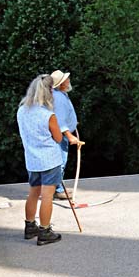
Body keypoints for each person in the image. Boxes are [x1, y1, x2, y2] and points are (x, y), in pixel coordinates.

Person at [17, 75, 63, 246]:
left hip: (32, 159)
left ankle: (30, 227)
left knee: (33, 193)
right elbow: (58, 138)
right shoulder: (48, 115)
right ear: (49, 92)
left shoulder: (21, 111)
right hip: (49, 160)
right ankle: (45, 231)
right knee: (47, 196)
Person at [50, 70, 80, 200]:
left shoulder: (60, 94)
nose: (68, 81)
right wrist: (69, 135)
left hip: (59, 134)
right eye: (66, 80)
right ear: (61, 84)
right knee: (60, 162)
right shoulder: (59, 98)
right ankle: (58, 190)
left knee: (59, 162)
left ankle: (55, 188)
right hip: (60, 136)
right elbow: (60, 121)